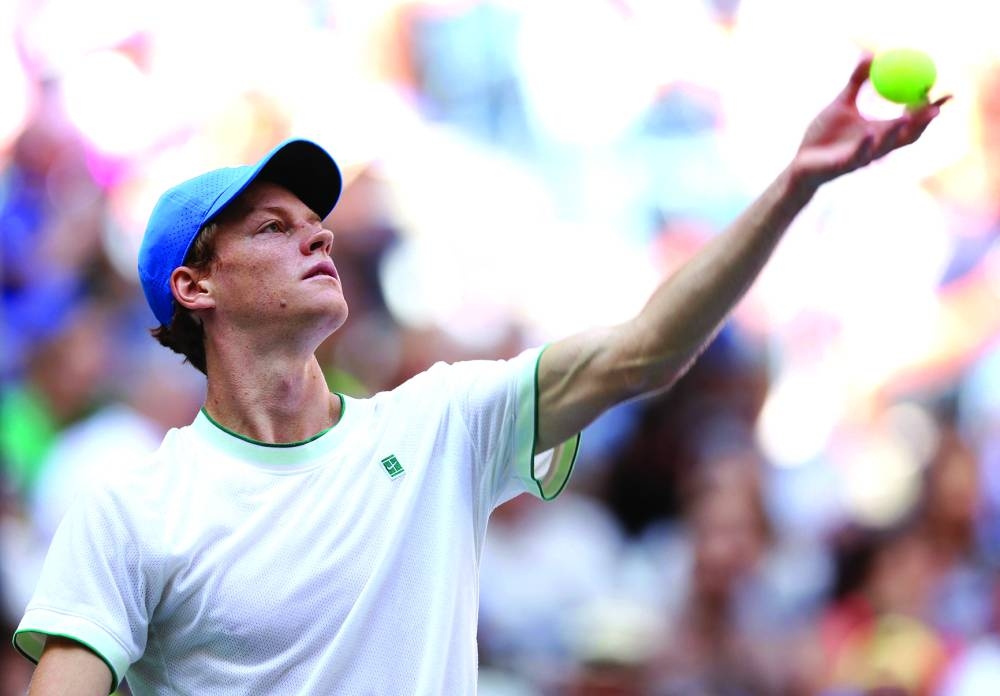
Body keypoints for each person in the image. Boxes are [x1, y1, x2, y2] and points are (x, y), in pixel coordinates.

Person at [12, 57, 947, 695]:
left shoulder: (440, 422)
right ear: (196, 286)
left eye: (316, 221)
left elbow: (646, 347)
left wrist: (794, 186)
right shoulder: (131, 511)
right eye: (273, 227)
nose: (319, 235)